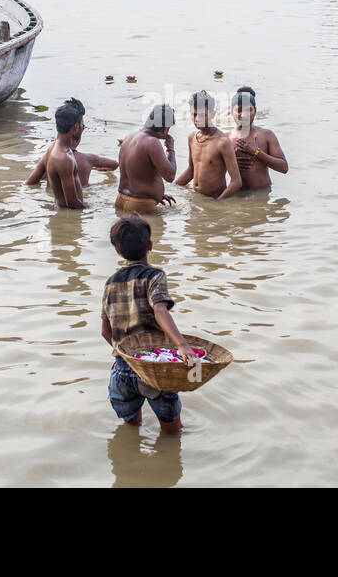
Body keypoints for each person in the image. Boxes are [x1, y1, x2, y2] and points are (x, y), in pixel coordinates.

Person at [100, 214, 199, 434]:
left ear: (117, 250)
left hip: (123, 369)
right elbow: (160, 310)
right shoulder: (154, 275)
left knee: (132, 428)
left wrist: (125, 354)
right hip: (154, 369)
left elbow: (105, 331)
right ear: (150, 245)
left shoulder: (110, 283)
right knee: (173, 432)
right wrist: (182, 345)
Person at [27, 98, 118, 190]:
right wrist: (97, 168)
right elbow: (115, 164)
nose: (83, 129)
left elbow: (30, 183)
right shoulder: (88, 160)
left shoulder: (50, 154)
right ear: (76, 127)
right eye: (83, 126)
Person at [176, 91, 242, 199]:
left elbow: (236, 182)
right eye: (194, 114)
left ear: (213, 114)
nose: (197, 119)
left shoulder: (222, 142)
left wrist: (217, 205)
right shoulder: (192, 138)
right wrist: (172, 188)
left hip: (214, 200)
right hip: (196, 199)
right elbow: (191, 170)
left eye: (202, 115)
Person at [116, 105, 178, 213]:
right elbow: (170, 176)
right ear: (165, 128)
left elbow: (138, 174)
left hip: (121, 199)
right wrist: (171, 149)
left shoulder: (129, 137)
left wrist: (157, 195)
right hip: (139, 204)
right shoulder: (152, 142)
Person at [228, 86, 287, 191]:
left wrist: (256, 152)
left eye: (248, 110)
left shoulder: (266, 135)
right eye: (239, 110)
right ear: (231, 111)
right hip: (237, 196)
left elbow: (283, 168)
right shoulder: (226, 138)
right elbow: (213, 170)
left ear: (255, 110)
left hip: (262, 195)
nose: (244, 115)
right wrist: (231, 163)